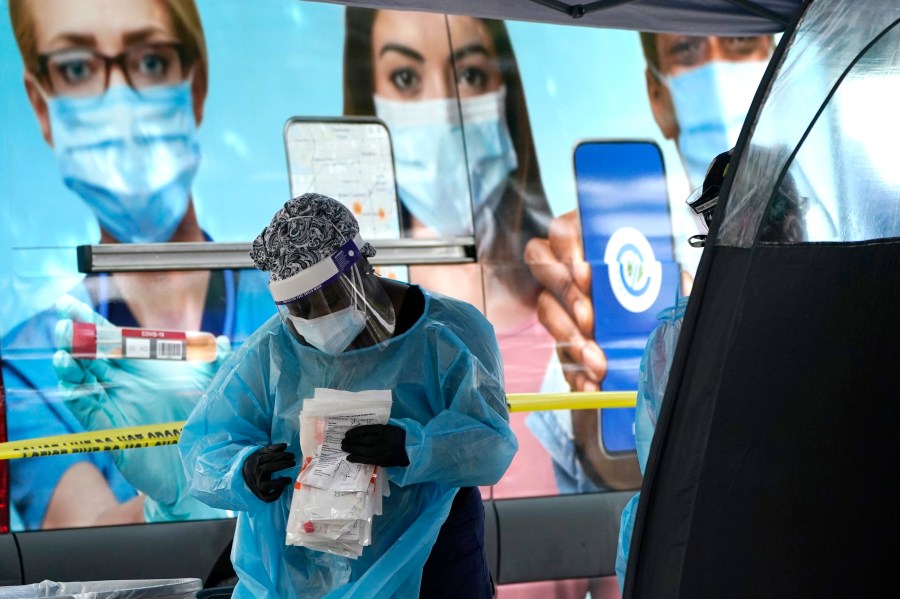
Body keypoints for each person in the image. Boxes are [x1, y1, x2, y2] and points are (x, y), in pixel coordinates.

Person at [2, 0, 272, 530]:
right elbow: (82, 541)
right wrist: (169, 498)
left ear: (194, 85)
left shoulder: (292, 308)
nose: (121, 104)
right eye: (77, 68)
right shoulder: (37, 361)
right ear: (41, 106)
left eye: (149, 61)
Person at [178, 193, 517, 599]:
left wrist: (414, 447)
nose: (313, 320)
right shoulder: (273, 347)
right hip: (309, 569)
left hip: (432, 555)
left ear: (359, 267)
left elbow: (492, 444)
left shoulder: (449, 332)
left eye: (326, 301)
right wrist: (244, 471)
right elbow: (206, 444)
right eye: (296, 309)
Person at [522, 34, 775, 499]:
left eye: (740, 40)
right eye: (686, 50)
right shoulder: (671, 325)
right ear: (656, 97)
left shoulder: (681, 328)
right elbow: (642, 465)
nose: (716, 73)